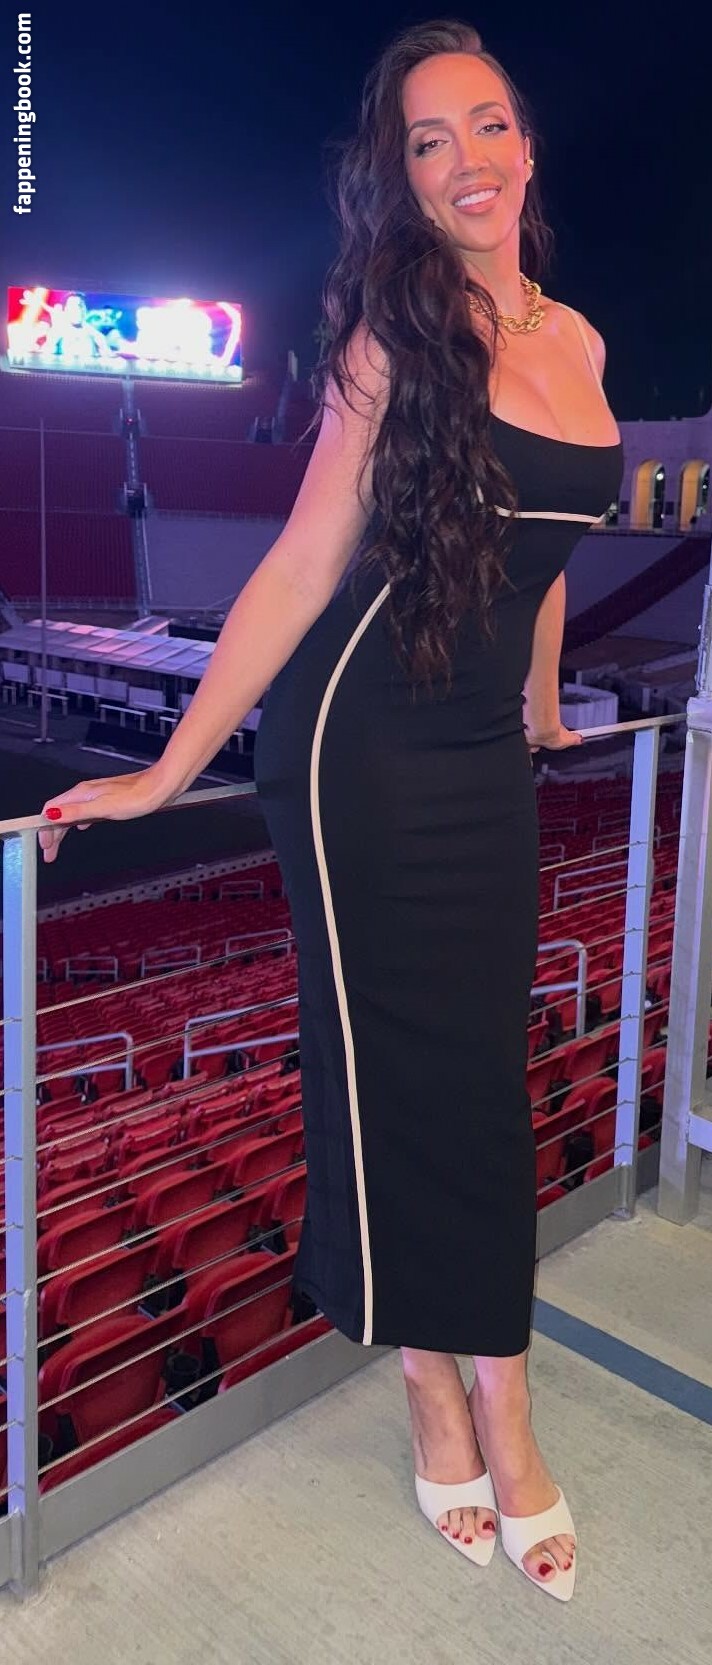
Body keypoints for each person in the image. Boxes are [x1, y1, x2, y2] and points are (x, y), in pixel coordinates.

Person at [38, 18, 623, 1604]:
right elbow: (302, 568)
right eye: (429, 143)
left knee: (475, 1078)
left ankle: (466, 1378)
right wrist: (170, 769)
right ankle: (461, 1393)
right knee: (395, 1077)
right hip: (357, 747)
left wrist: (544, 706)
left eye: (485, 125)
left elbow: (546, 556)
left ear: (525, 144)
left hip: (480, 754)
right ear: (404, 179)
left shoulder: (577, 340)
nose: (466, 162)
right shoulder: (393, 339)